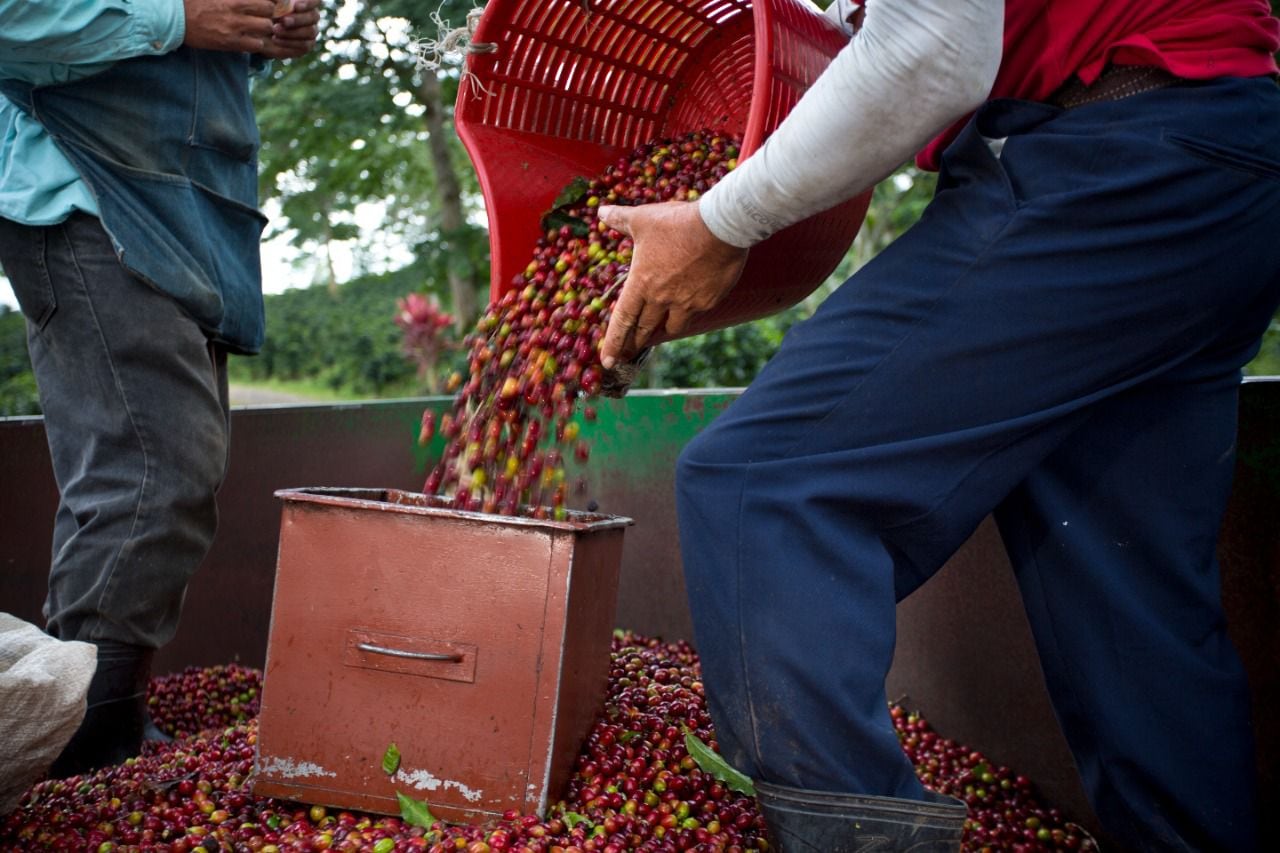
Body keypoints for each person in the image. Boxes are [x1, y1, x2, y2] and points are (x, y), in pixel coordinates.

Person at [597, 0, 1280, 849]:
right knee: (1124, 597)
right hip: (1218, 163)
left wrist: (719, 222)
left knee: (761, 487)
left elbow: (933, 50)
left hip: (1110, 159)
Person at [0, 0, 319, 777]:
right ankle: (77, 746)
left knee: (178, 468)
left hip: (189, 211)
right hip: (85, 195)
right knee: (153, 469)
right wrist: (178, 19)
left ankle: (106, 718)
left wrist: (267, 33)